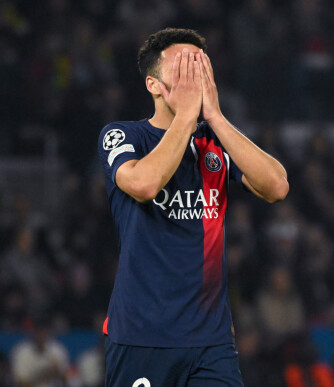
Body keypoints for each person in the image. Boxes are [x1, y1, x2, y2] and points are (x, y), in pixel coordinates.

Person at [97, 28, 289, 386]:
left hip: (210, 341)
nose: (194, 80)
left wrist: (214, 117)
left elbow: (276, 186)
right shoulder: (124, 135)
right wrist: (186, 118)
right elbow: (144, 184)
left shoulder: (212, 142)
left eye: (200, 68)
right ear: (154, 85)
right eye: (183, 70)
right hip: (142, 336)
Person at [10, 316, 70, 387]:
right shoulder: (21, 351)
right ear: (33, 333)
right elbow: (20, 383)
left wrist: (58, 373)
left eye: (44, 332)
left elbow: (66, 380)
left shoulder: (57, 350)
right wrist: (44, 375)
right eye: (38, 332)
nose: (41, 336)